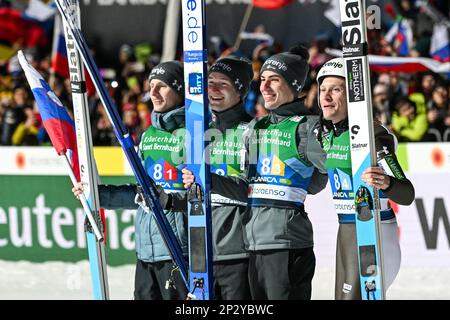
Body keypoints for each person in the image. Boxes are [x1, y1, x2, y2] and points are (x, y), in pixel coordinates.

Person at [185, 45, 328, 300]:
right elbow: (309, 183)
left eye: (274, 80)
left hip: (286, 242)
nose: (265, 87)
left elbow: (323, 176)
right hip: (254, 242)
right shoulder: (259, 126)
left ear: (294, 85)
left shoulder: (308, 126)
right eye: (262, 80)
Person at [74, 61, 188, 300]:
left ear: (179, 89)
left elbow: (203, 196)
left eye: (162, 86)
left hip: (178, 250)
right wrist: (97, 195)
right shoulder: (148, 136)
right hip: (146, 252)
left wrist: (169, 200)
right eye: (151, 86)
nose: (153, 93)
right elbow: (141, 194)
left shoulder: (196, 133)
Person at [315, 57, 415, 300]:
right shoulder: (325, 132)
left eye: (336, 90)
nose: (326, 97)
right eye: (322, 90)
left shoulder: (373, 134)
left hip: (375, 231)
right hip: (345, 232)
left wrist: (387, 183)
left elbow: (407, 193)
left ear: (353, 96)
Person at [205, 56, 253, 299]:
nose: (213, 89)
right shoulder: (198, 131)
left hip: (238, 252)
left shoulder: (253, 130)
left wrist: (209, 181)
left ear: (240, 91)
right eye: (210, 82)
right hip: (200, 251)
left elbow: (252, 191)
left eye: (222, 84)